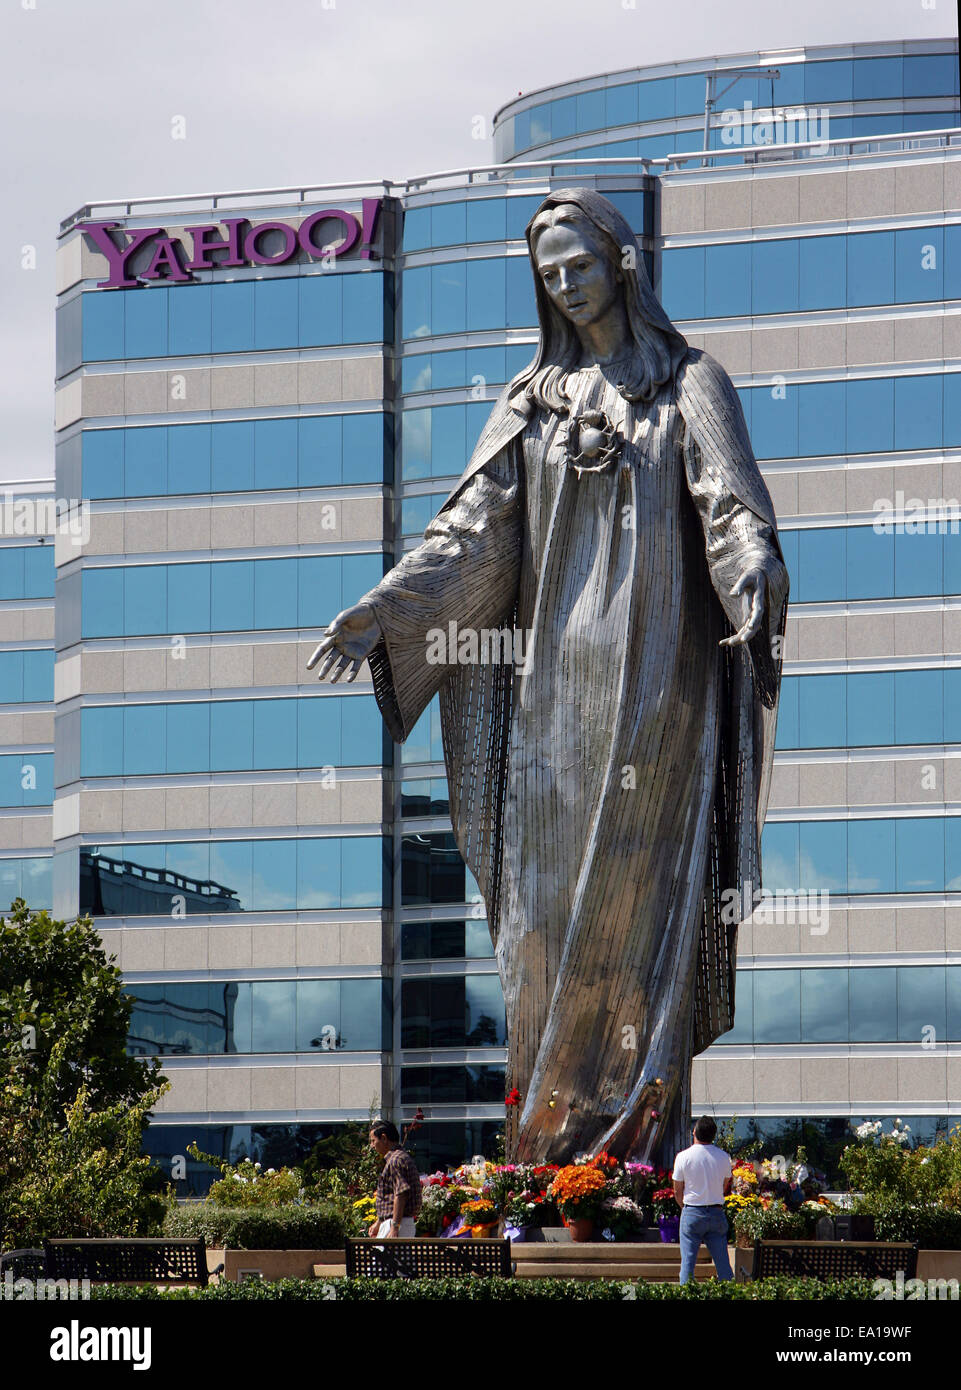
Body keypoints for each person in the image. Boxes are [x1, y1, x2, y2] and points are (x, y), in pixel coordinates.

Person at [309, 188, 788, 1167]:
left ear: (621, 261)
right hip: (550, 702)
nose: (567, 286)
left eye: (579, 264)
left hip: (659, 689)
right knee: (542, 923)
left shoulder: (689, 383)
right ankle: (547, 1162)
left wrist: (754, 569)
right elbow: (472, 533)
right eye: (549, 274)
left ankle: (632, 1157)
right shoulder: (531, 404)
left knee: (642, 905)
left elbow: (728, 504)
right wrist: (388, 607)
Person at [672, 1115, 734, 1284]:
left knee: (687, 1265)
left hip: (692, 1210)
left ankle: (686, 1295)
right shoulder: (723, 1157)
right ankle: (729, 1294)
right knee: (723, 1266)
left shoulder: (683, 1157)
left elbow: (677, 1190)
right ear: (713, 1135)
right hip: (716, 1211)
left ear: (694, 1132)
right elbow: (724, 1185)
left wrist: (684, 1207)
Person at [367, 1121, 422, 1238]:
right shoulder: (400, 1157)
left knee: (385, 1256)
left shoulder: (395, 1160)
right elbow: (392, 1197)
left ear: (384, 1138)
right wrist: (379, 1222)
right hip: (397, 1222)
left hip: (396, 1224)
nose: (372, 1145)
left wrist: (394, 1227)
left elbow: (401, 1193)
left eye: (373, 1141)